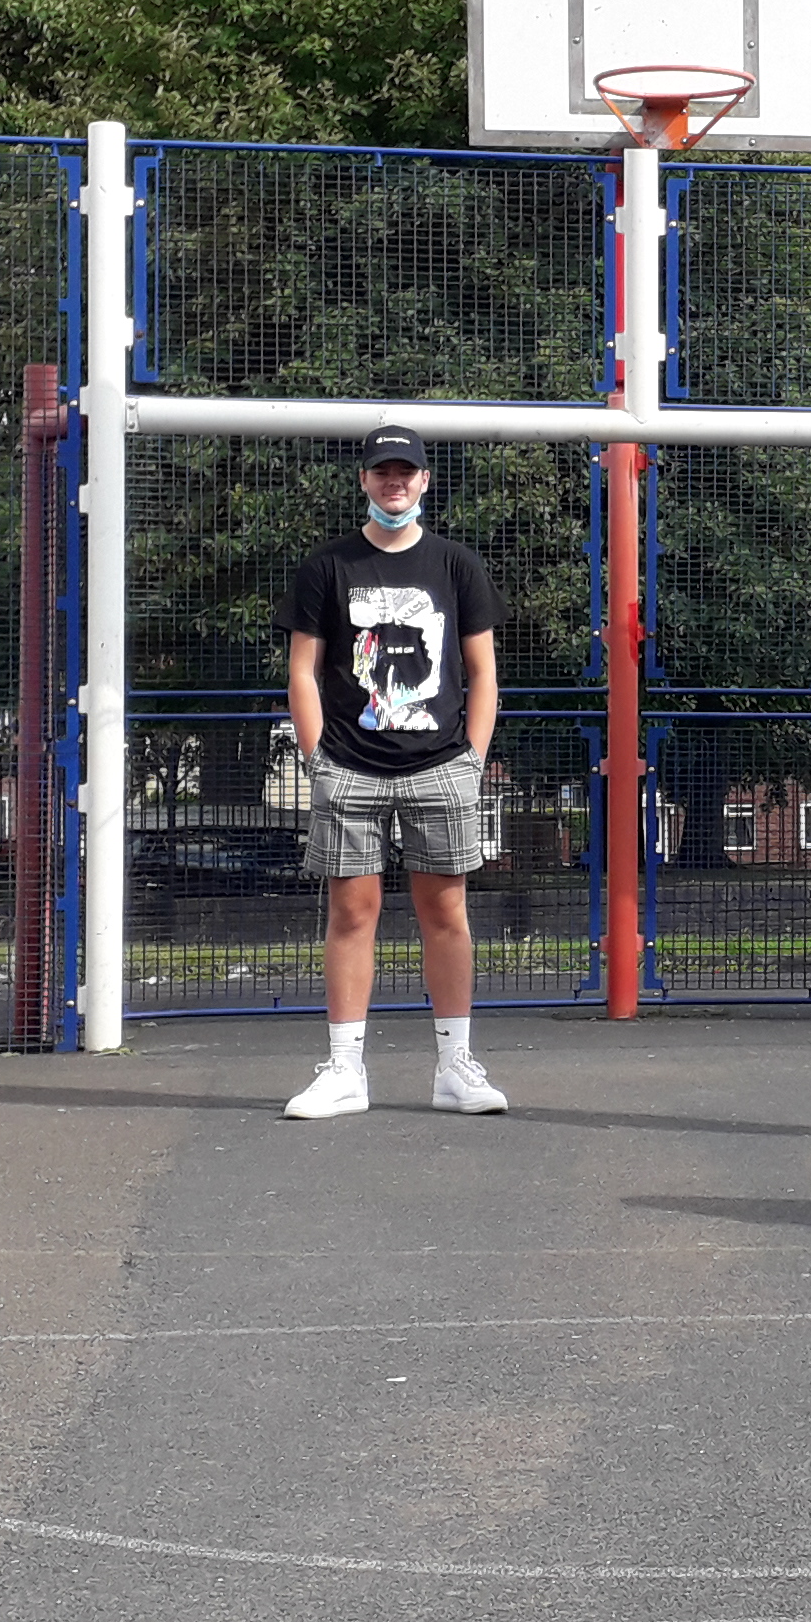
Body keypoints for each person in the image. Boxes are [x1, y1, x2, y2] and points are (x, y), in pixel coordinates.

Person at [278, 426, 508, 1120]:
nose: (394, 483)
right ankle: (345, 1070)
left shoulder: (455, 566)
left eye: (406, 472)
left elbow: (483, 673)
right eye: (383, 472)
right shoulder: (328, 568)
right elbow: (303, 670)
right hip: (349, 766)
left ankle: (455, 1067)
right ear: (365, 480)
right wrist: (318, 756)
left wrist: (472, 759)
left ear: (425, 481)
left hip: (441, 765)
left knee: (447, 913)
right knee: (352, 914)